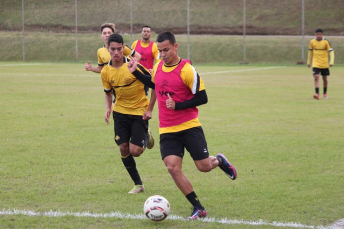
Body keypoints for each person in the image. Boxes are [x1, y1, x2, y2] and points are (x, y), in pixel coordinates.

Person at [127, 31, 237, 220]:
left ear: (176, 47)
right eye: (160, 51)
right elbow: (153, 83)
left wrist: (178, 105)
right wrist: (135, 71)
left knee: (203, 166)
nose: (163, 54)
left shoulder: (187, 70)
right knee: (172, 167)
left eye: (166, 50)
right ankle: (198, 207)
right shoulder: (159, 66)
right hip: (168, 129)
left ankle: (219, 160)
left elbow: (203, 97)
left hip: (189, 125)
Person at [101, 33, 155, 194]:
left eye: (119, 49)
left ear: (123, 48)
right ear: (108, 49)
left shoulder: (134, 65)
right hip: (120, 112)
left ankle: (147, 135)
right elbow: (108, 92)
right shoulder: (106, 71)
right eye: (113, 49)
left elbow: (153, 84)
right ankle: (138, 184)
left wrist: (150, 108)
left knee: (135, 151)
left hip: (139, 111)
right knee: (123, 147)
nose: (116, 52)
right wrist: (108, 108)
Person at [131, 25, 160, 95]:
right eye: (144, 31)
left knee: (143, 95)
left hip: (146, 75)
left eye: (148, 31)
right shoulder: (135, 43)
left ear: (150, 34)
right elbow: (130, 57)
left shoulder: (154, 46)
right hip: (135, 73)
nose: (146, 33)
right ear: (142, 33)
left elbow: (159, 61)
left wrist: (154, 70)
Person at [307, 28, 335, 100]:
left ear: (322, 35)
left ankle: (325, 93)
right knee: (316, 76)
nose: (318, 36)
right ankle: (317, 94)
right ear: (315, 35)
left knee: (324, 78)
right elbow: (310, 52)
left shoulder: (326, 42)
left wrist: (331, 61)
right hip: (316, 63)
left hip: (324, 63)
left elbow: (331, 52)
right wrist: (308, 61)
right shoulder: (312, 42)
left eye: (320, 34)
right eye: (317, 34)